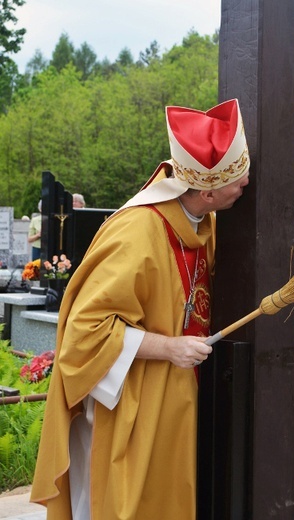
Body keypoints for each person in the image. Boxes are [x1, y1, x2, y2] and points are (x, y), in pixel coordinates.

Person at [30, 99, 250, 519]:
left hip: (177, 392)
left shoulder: (203, 222)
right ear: (206, 190)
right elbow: (87, 330)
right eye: (238, 179)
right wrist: (169, 348)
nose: (245, 184)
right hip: (134, 395)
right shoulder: (138, 231)